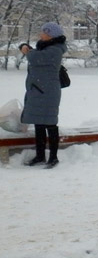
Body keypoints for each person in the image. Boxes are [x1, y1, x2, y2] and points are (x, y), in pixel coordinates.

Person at [19, 21, 67, 167]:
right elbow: (37, 55)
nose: (41, 35)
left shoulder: (55, 50)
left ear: (51, 35)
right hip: (38, 90)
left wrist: (27, 50)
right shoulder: (45, 48)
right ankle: (40, 156)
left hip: (48, 92)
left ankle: (53, 157)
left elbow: (35, 58)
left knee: (51, 124)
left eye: (44, 33)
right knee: (39, 124)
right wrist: (27, 49)